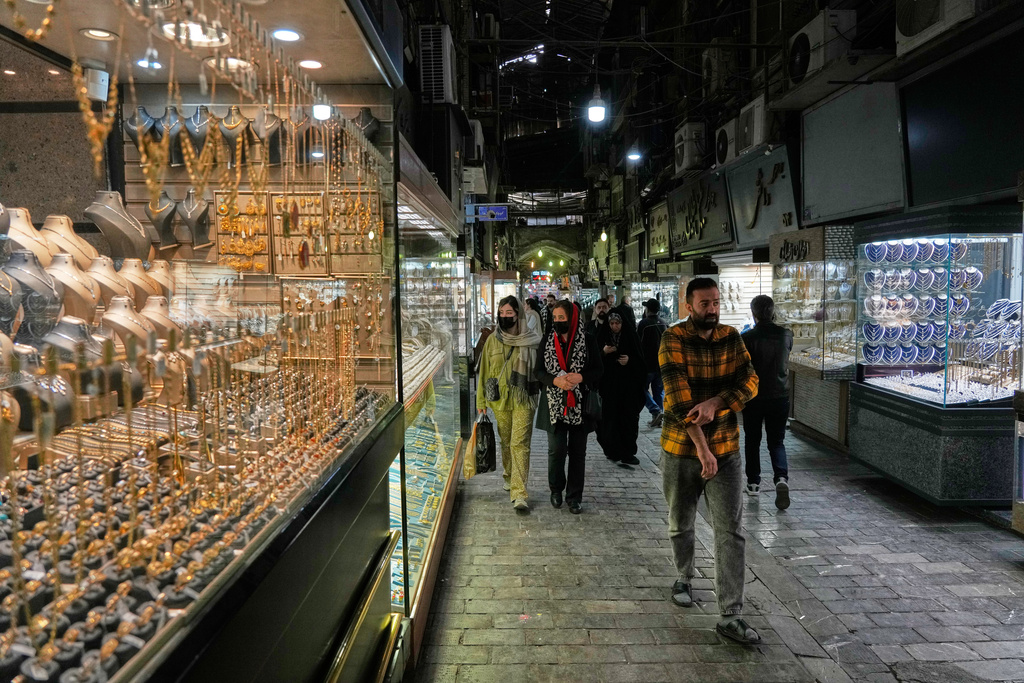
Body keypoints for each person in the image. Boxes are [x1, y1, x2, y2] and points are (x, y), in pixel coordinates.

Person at [659, 277, 760, 644]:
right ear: (688, 306)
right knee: (680, 521)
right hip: (682, 450)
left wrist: (716, 403)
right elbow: (678, 400)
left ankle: (731, 613)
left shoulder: (732, 338)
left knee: (730, 530)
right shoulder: (673, 339)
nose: (712, 309)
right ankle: (683, 575)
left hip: (727, 449)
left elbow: (750, 382)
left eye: (716, 302)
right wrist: (702, 449)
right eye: (704, 304)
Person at [535, 300, 603, 514]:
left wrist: (581, 377)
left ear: (572, 319)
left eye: (561, 318)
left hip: (580, 406)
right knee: (556, 450)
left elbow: (599, 371)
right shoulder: (547, 340)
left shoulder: (589, 341)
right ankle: (556, 489)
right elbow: (538, 371)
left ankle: (574, 496)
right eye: (554, 318)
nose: (557, 322)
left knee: (577, 452)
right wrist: (555, 381)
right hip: (554, 405)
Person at [477, 296, 544, 511]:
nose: (505, 317)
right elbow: (484, 371)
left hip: (525, 397)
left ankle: (519, 493)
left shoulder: (532, 339)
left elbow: (541, 370)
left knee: (519, 443)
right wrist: (481, 401)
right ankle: (509, 473)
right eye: (502, 313)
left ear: (518, 314)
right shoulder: (492, 340)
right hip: (499, 400)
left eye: (509, 313)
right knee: (506, 441)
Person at [740, 295, 793, 511]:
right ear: (773, 311)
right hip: (779, 395)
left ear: (753, 313)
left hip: (753, 397)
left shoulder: (747, 337)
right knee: (777, 441)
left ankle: (753, 483)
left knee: (752, 439)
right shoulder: (785, 335)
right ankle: (781, 478)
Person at [595, 312, 644, 465]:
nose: (615, 326)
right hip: (608, 389)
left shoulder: (631, 337)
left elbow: (641, 361)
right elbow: (592, 361)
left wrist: (630, 360)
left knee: (628, 420)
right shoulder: (601, 338)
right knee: (609, 420)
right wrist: (603, 353)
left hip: (628, 388)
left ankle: (628, 452)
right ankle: (612, 450)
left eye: (618, 323)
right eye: (612, 324)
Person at [637, 298, 668, 427]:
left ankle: (655, 410)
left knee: (640, 389)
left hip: (647, 364)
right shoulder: (664, 323)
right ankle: (657, 418)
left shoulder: (644, 324)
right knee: (658, 391)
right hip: (661, 364)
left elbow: (638, 344)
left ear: (648, 309)